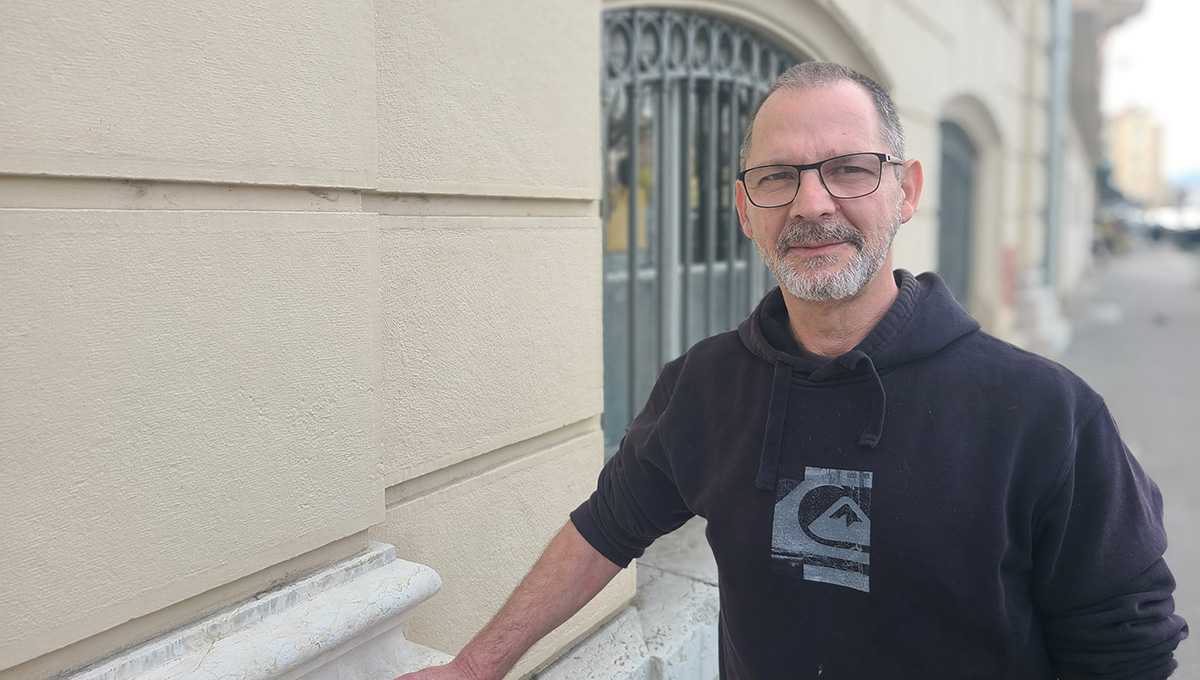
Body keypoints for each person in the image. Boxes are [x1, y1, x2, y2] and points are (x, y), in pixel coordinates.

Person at [398, 62, 1188, 680]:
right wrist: (473, 667)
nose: (811, 203)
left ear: (905, 191)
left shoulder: (1044, 414)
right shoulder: (704, 388)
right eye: (778, 177)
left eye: (848, 168)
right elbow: (605, 529)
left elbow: (1125, 645)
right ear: (746, 212)